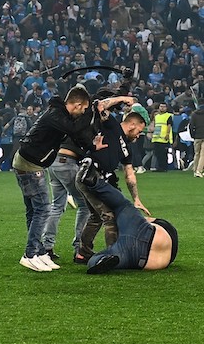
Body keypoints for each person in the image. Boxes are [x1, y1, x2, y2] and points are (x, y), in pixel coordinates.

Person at [13, 85, 111, 272]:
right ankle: (30, 253)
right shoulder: (56, 116)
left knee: (34, 211)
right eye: (82, 109)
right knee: (42, 209)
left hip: (29, 162)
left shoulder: (59, 115)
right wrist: (92, 111)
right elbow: (74, 130)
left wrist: (92, 145)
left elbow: (76, 134)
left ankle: (40, 252)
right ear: (76, 105)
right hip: (30, 164)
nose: (82, 114)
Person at [76, 159, 178, 274]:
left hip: (139, 252)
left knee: (124, 205)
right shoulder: (162, 227)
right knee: (123, 208)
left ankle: (95, 182)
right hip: (151, 261)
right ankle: (102, 259)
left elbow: (145, 219)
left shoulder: (139, 227)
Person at [75, 108, 151, 263]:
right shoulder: (112, 126)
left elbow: (129, 174)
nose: (138, 135)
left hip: (94, 178)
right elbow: (100, 106)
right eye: (139, 131)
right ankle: (114, 254)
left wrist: (136, 198)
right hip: (90, 175)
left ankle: (83, 253)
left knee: (96, 216)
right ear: (132, 125)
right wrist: (123, 98)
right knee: (109, 215)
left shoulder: (127, 149)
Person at [189, 103, 204, 178]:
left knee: (197, 154)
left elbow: (191, 126)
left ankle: (195, 170)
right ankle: (199, 170)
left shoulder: (194, 114)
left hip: (197, 136)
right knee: (203, 155)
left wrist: (193, 135)